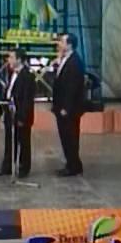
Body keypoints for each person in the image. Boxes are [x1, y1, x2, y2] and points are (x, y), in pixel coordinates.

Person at [0, 48, 36, 178]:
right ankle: (7, 166)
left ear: (19, 59)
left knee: (23, 141)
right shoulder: (11, 73)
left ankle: (24, 168)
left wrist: (22, 117)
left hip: (21, 115)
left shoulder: (28, 76)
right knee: (10, 141)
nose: (9, 60)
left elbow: (27, 99)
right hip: (10, 113)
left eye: (11, 57)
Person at [52, 33, 86, 177]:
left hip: (69, 108)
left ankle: (73, 165)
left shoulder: (74, 62)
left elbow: (72, 87)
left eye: (62, 42)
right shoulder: (64, 59)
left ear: (70, 45)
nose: (59, 44)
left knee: (70, 136)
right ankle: (71, 163)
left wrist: (66, 107)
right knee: (65, 136)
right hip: (61, 105)